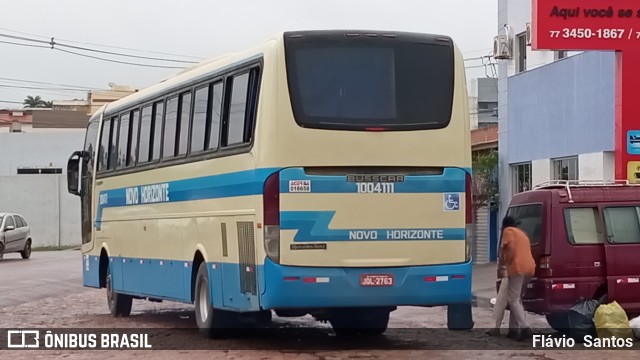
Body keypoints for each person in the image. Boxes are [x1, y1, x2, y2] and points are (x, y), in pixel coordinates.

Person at [499, 215, 536, 341]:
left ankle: (525, 327)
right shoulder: (521, 233)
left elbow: (511, 248)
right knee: (516, 299)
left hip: (517, 267)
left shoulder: (508, 231)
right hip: (530, 268)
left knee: (513, 299)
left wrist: (506, 264)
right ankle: (513, 330)